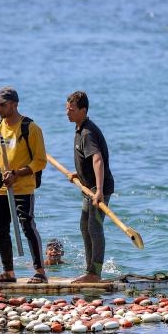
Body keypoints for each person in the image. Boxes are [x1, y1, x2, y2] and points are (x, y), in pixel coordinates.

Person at [0, 86, 48, 283]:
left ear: (14, 104)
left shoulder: (30, 128)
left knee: (27, 226)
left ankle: (40, 272)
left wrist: (17, 174)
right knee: (0, 229)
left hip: (22, 188)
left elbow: (40, 161)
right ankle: (8, 272)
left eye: (2, 105)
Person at [65, 91, 114, 283]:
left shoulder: (87, 132)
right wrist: (80, 175)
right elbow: (87, 161)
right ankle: (90, 270)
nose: (67, 113)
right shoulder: (79, 128)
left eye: (72, 110)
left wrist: (99, 190)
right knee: (84, 227)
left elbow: (98, 160)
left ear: (83, 110)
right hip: (88, 187)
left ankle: (95, 273)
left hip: (98, 188)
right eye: (67, 109)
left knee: (94, 227)